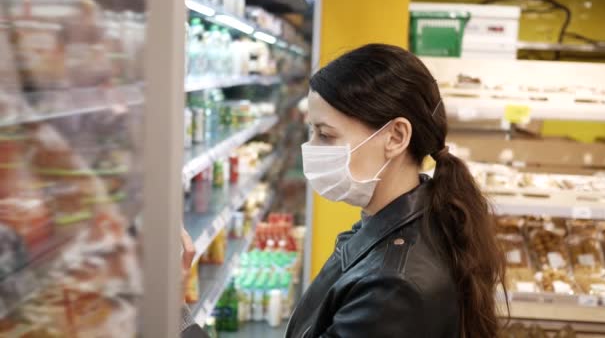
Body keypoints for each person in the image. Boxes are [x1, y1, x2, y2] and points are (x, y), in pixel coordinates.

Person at [181, 43, 507, 338]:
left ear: (395, 137)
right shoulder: (401, 225)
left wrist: (176, 319)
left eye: (326, 135)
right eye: (312, 132)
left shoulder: (393, 289)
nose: (311, 148)